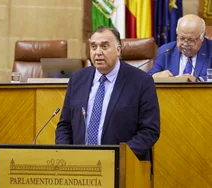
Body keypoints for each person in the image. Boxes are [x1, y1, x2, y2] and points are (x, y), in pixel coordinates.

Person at [55, 26, 160, 161]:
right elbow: (65, 125)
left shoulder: (141, 82)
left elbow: (149, 131)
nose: (97, 52)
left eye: (104, 46)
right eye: (93, 47)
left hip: (122, 166)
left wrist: (119, 157)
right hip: (79, 165)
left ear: (118, 50)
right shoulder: (77, 79)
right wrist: (67, 154)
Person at [148, 14, 212, 82]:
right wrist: (156, 76)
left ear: (202, 37)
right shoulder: (165, 51)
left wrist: (198, 80)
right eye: (181, 38)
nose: (185, 44)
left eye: (191, 40)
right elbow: (147, 78)